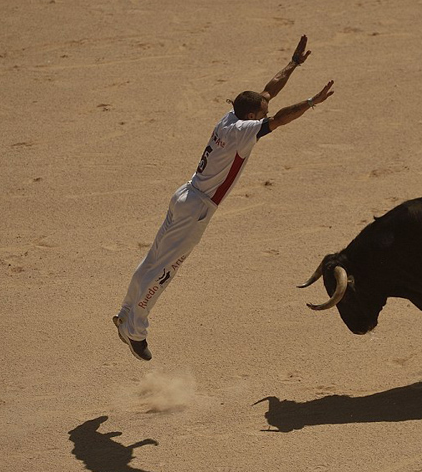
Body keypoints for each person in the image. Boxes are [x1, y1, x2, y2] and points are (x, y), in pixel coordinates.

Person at [114, 35, 334, 360]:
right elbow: (281, 117)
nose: (265, 112)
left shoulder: (230, 117)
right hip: (197, 209)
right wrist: (312, 102)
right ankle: (135, 330)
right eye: (261, 113)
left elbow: (268, 92)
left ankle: (125, 314)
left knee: (151, 260)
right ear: (251, 116)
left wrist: (294, 63)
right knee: (164, 271)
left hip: (185, 194)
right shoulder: (243, 131)